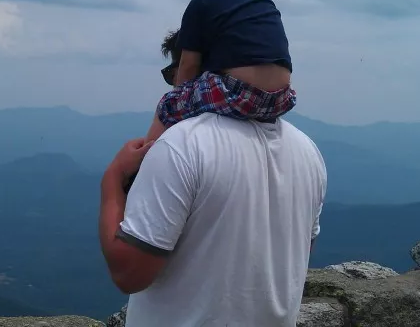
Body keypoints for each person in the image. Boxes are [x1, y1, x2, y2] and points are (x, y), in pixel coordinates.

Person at [99, 30, 327, 327]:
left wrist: (112, 182)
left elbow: (129, 273)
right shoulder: (308, 150)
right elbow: (297, 252)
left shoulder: (180, 145)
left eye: (173, 73)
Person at [145, 0, 296, 143]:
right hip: (281, 98)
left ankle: (148, 153)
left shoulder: (203, 2)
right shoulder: (263, 1)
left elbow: (187, 67)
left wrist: (179, 102)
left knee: (168, 104)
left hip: (238, 92)